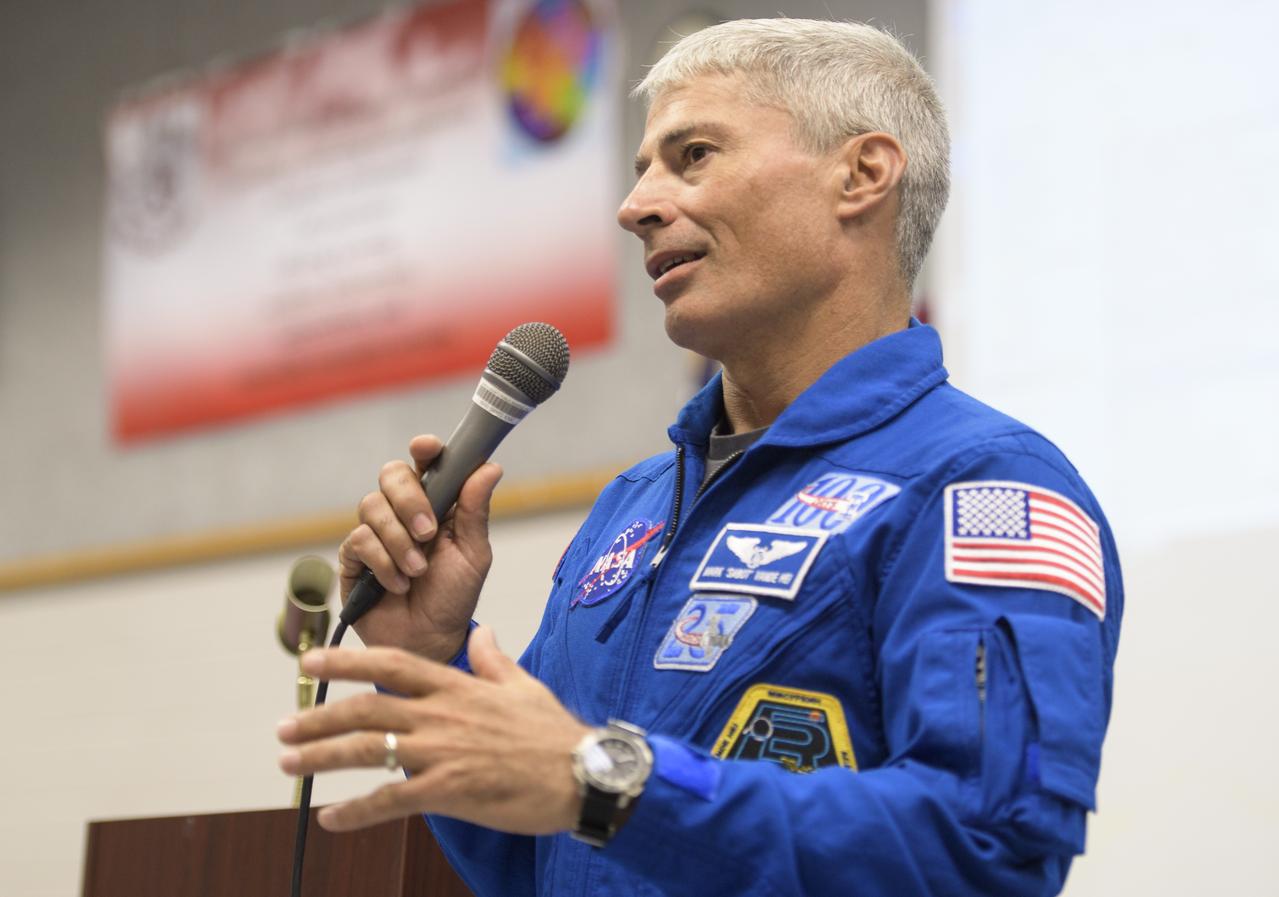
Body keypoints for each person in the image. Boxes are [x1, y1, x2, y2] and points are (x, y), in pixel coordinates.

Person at [276, 18, 1122, 897]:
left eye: (692, 155)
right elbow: (539, 862)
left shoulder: (984, 486)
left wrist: (604, 781)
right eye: (643, 167)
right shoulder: (632, 506)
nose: (634, 204)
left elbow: (984, 848)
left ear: (862, 174)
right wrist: (430, 662)